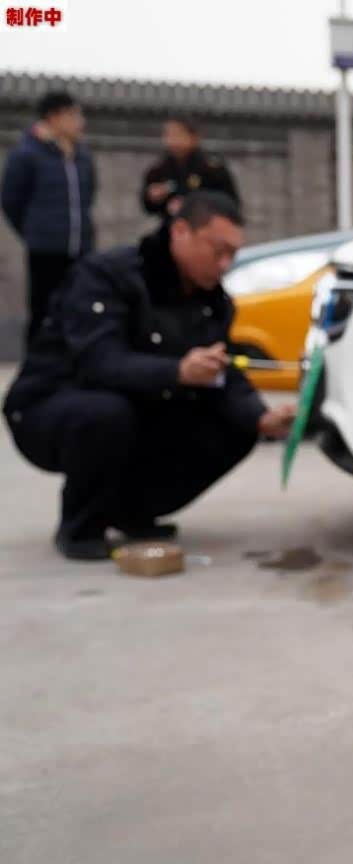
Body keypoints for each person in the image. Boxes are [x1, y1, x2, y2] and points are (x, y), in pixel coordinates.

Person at [3, 192, 296, 560]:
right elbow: (99, 361)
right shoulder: (106, 276)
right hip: (49, 407)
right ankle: (80, 526)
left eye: (232, 254)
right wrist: (177, 371)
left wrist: (261, 417)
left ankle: (132, 511)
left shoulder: (213, 303)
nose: (224, 264)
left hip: (137, 407)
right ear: (180, 231)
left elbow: (223, 373)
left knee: (236, 426)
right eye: (217, 251)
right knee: (107, 413)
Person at [1, 90, 96, 346]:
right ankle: (36, 364)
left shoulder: (82, 156)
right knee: (43, 311)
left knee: (78, 309)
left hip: (80, 247)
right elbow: (10, 200)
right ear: (54, 117)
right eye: (73, 115)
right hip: (45, 248)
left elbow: (88, 196)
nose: (80, 122)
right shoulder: (27, 154)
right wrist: (35, 230)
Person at [140, 117, 239, 218]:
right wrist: (152, 198)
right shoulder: (160, 168)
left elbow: (230, 202)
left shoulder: (211, 168)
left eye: (178, 134)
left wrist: (191, 205)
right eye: (168, 134)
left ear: (194, 137)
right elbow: (149, 207)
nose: (172, 140)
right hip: (172, 224)